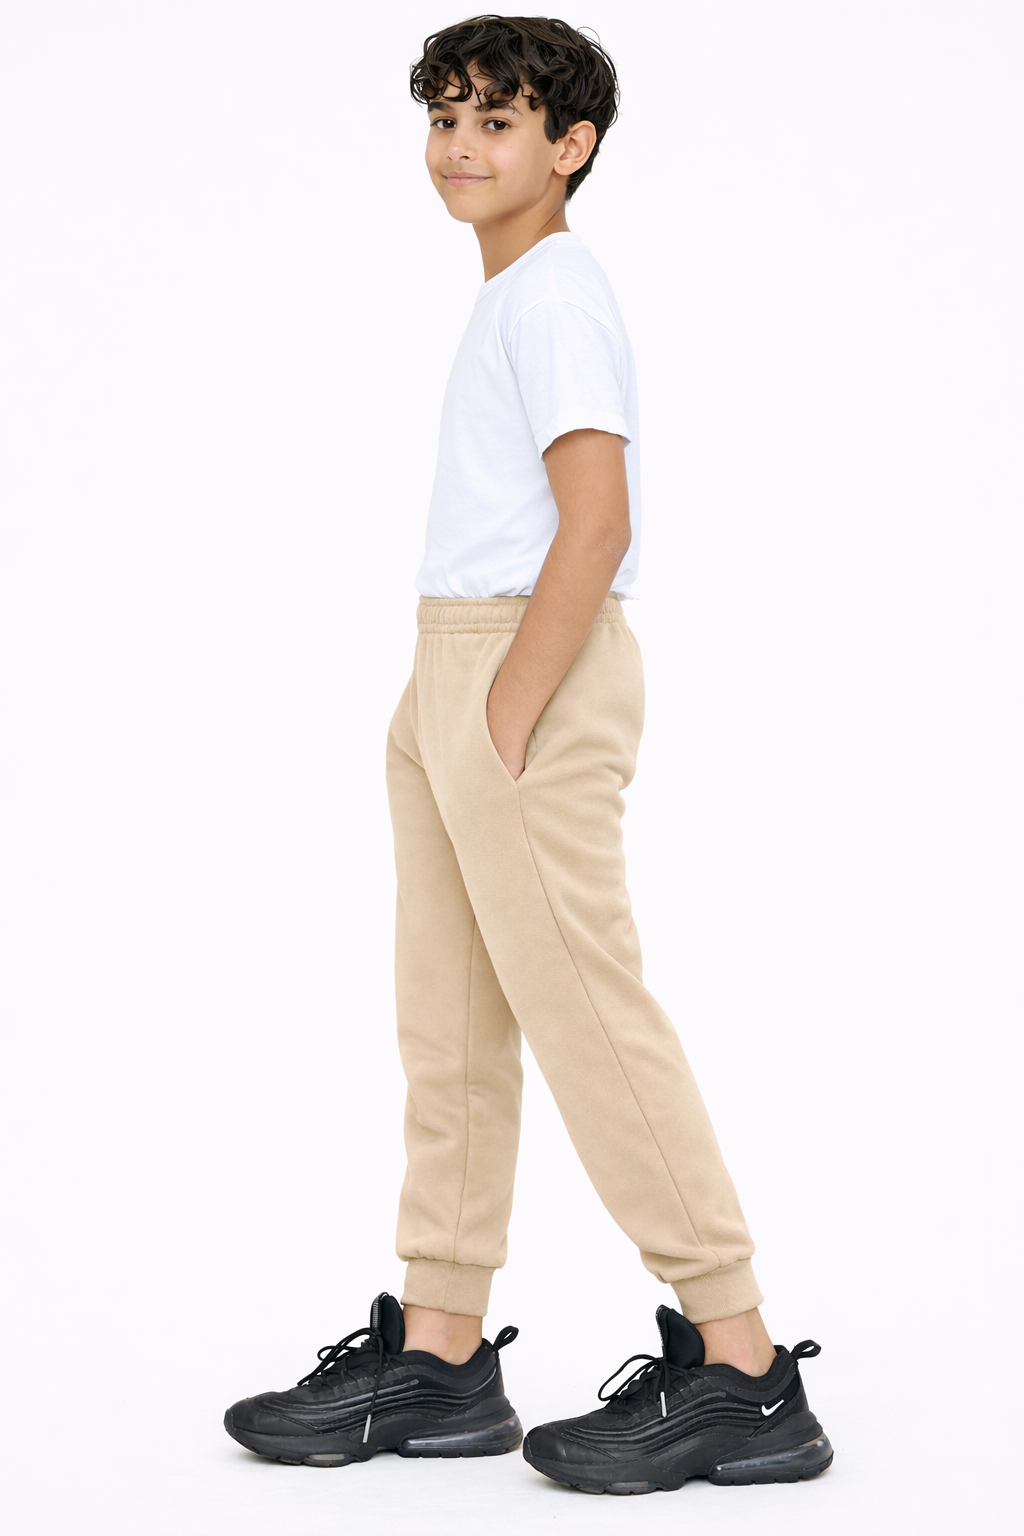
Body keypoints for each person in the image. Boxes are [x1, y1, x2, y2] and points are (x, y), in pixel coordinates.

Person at [223, 15, 832, 1495]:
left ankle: (744, 1368)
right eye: (443, 117)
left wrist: (503, 711)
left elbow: (597, 522)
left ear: (572, 147)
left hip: (524, 674)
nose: (458, 146)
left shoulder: (555, 291)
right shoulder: (511, 297)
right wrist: (446, 703)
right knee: (449, 1023)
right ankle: (439, 1355)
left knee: (588, 1016)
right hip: (456, 660)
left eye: (496, 121)